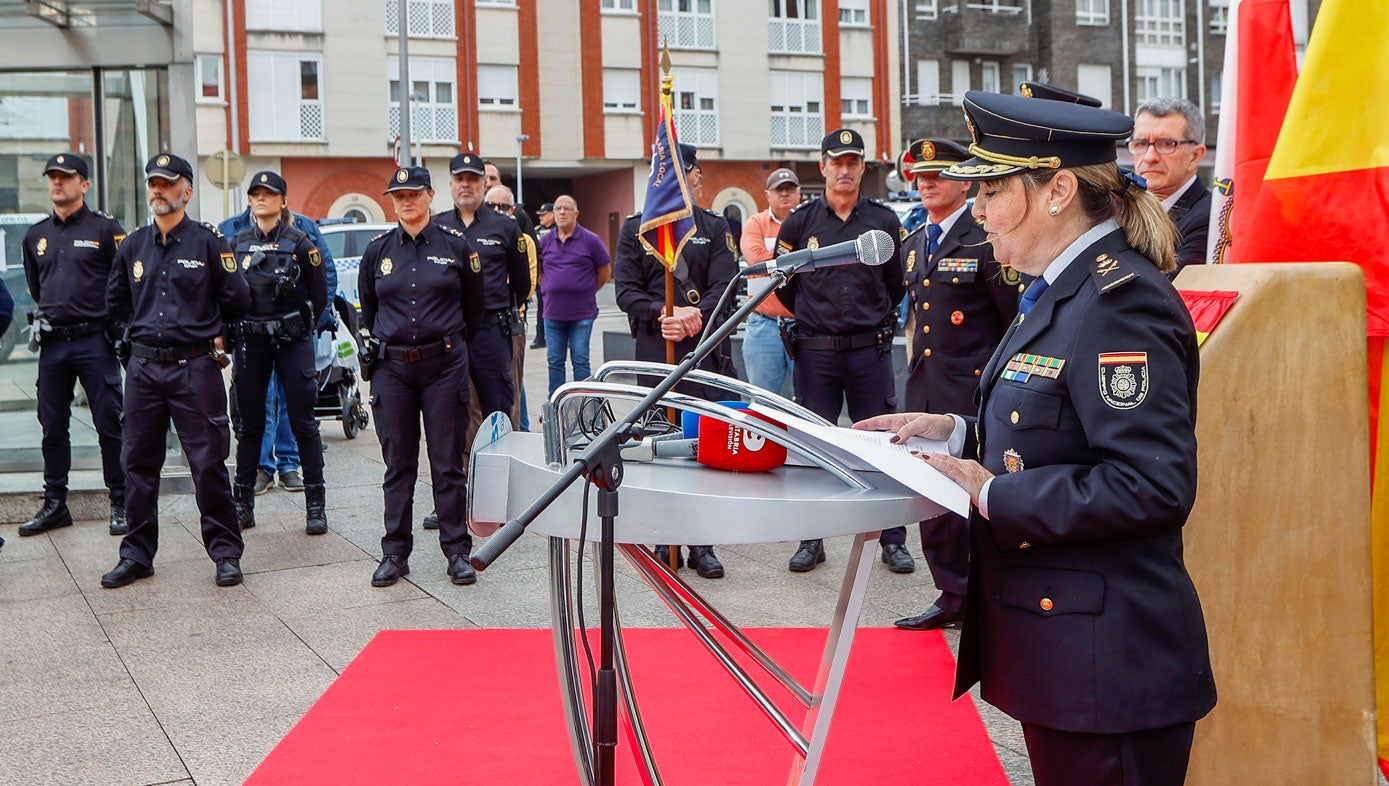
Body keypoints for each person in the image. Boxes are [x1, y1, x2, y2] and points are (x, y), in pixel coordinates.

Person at [858, 90, 1215, 785]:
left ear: (1056, 190)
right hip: (1065, 650)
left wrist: (995, 494)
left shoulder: (1121, 301)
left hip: (1106, 665)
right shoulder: (1059, 288)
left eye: (991, 188)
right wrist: (955, 431)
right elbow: (1051, 425)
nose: (979, 208)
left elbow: (1151, 485)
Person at [102, 153, 251, 589]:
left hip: (195, 368)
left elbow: (237, 299)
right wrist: (133, 349)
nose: (157, 191)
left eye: (167, 184)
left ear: (186, 190)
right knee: (138, 466)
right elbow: (115, 305)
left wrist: (217, 337)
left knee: (208, 465)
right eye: (153, 183)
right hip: (145, 371)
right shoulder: (132, 246)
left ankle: (225, 553)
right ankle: (136, 555)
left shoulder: (208, 242)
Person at [891, 138, 1022, 631]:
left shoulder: (982, 235)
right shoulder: (915, 240)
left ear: (963, 182)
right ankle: (950, 594)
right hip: (925, 384)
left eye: (937, 176)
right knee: (932, 493)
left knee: (973, 493)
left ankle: (982, 596)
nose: (926, 184)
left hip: (968, 388)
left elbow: (1013, 316)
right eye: (920, 177)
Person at [774, 129, 911, 574]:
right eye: (838, 162)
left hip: (869, 353)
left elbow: (894, 286)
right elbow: (787, 287)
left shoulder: (885, 221)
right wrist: (820, 320)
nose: (846, 170)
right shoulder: (799, 223)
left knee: (884, 445)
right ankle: (811, 539)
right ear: (823, 166)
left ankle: (892, 539)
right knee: (814, 446)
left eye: (854, 162)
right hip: (816, 354)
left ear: (862, 168)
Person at [614, 143, 739, 580]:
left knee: (701, 445)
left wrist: (692, 316)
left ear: (698, 178)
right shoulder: (636, 230)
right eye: (663, 176)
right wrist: (660, 312)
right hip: (655, 350)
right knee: (659, 444)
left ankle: (701, 541)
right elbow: (625, 292)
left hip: (703, 350)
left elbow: (727, 286)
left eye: (682, 174)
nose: (673, 183)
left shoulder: (715, 226)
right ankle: (664, 534)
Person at [358, 166, 485, 587]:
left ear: (431, 195)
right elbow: (369, 309)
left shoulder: (456, 247)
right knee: (398, 464)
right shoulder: (377, 251)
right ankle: (395, 552)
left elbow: (474, 310)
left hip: (444, 366)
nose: (406, 201)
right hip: (392, 368)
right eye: (398, 196)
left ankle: (456, 551)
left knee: (447, 462)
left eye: (414, 194)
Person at [19, 153, 128, 538]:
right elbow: (36, 287)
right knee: (52, 426)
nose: (57, 183)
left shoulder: (105, 229)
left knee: (109, 425)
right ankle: (54, 504)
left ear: (84, 184)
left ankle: (121, 501)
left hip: (94, 341)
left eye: (66, 177)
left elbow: (125, 283)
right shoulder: (36, 235)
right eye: (52, 177)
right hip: (53, 345)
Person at [227, 171, 330, 536]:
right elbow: (227, 295)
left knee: (303, 422)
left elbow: (319, 295)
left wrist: (301, 328)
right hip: (251, 343)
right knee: (250, 425)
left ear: (283, 201)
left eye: (268, 194)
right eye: (255, 193)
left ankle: (315, 506)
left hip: (292, 341)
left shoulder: (301, 242)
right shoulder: (237, 243)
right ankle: (242, 505)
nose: (261, 199)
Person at [435, 154, 530, 432]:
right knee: (451, 405)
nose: (466, 185)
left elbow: (521, 284)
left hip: (490, 331)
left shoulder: (505, 227)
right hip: (449, 331)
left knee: (497, 404)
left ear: (483, 184)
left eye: (473, 179)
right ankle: (460, 470)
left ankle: (498, 464)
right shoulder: (437, 227)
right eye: (459, 179)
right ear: (451, 184)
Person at [536, 195, 611, 396]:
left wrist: (586, 288)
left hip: (582, 314)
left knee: (580, 361)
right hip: (552, 314)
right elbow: (539, 271)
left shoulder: (590, 240)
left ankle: (583, 408)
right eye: (558, 208)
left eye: (566, 208)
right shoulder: (544, 242)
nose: (561, 212)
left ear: (576, 214)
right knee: (555, 362)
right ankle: (555, 404)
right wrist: (550, 287)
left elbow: (604, 271)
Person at [739, 167, 800, 398]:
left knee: (807, 402)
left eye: (790, 189)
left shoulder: (807, 220)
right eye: (779, 190)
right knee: (763, 402)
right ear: (767, 195)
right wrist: (799, 262)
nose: (785, 194)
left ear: (799, 192)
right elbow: (756, 259)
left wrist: (776, 259)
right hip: (764, 325)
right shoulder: (755, 222)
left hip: (804, 325)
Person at [1132, 97, 1211, 274]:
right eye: (1141, 144)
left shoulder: (1209, 219)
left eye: (1167, 144)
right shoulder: (1120, 213)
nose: (1149, 157)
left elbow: (1167, 293)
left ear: (1195, 156)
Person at [530, 202, 554, 349]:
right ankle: (540, 337)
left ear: (552, 214)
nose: (540, 218)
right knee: (542, 308)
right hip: (542, 276)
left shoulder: (561, 230)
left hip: (556, 276)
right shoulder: (536, 231)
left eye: (543, 215)